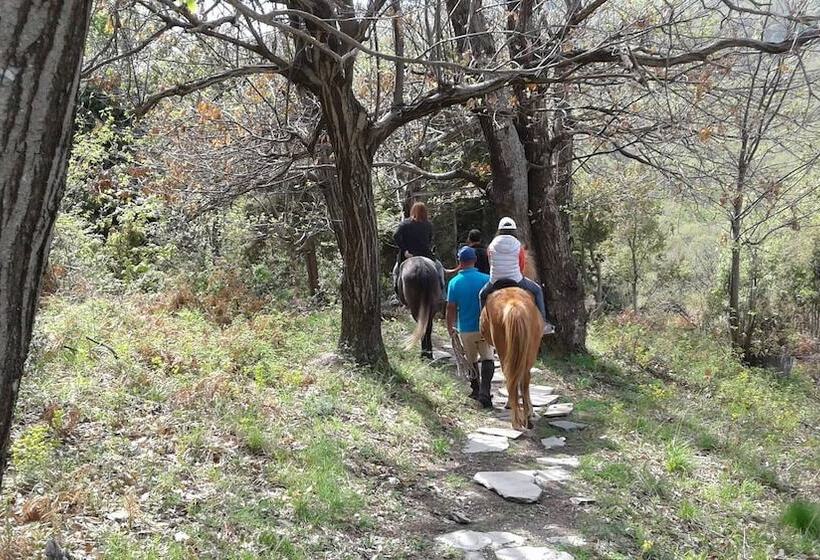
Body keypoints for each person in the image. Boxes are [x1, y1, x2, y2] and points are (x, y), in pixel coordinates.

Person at [479, 217, 552, 335]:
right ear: (514, 230)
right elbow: (522, 264)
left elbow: (490, 262)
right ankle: (543, 323)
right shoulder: (518, 245)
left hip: (495, 280)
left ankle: (483, 325)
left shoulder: (492, 245)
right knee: (538, 290)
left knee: (482, 295)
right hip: (516, 279)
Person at [446, 246, 495, 408]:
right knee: (488, 358)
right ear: (474, 260)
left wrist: (450, 328)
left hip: (465, 329)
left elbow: (451, 308)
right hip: (484, 328)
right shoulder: (486, 279)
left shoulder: (453, 283)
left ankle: (475, 390)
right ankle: (485, 393)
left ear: (459, 262)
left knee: (471, 360)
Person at [393, 202, 445, 293]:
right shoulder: (429, 225)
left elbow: (395, 236)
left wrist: (405, 250)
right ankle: (441, 292)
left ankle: (397, 293)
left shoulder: (405, 224)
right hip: (426, 255)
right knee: (439, 268)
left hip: (409, 255)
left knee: (396, 272)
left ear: (413, 211)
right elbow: (429, 240)